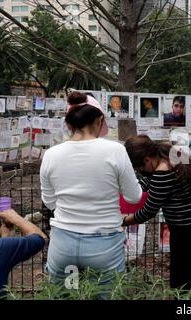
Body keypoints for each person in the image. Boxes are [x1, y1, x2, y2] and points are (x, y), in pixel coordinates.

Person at [40, 92, 143, 288]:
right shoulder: (115, 150)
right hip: (104, 245)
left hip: (63, 244)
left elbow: (49, 202)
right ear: (99, 120)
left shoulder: (51, 155)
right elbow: (133, 196)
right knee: (104, 294)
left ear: (69, 124)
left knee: (66, 294)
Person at [122, 135, 191, 288]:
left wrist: (123, 220)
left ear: (146, 159)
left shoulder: (162, 173)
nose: (140, 171)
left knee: (180, 281)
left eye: (139, 168)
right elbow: (146, 181)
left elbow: (148, 211)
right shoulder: (166, 154)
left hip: (190, 229)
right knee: (184, 274)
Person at [0, 209, 47, 298]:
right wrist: (15, 218)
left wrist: (6, 239)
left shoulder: (2, 247)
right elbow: (40, 238)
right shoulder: (1, 247)